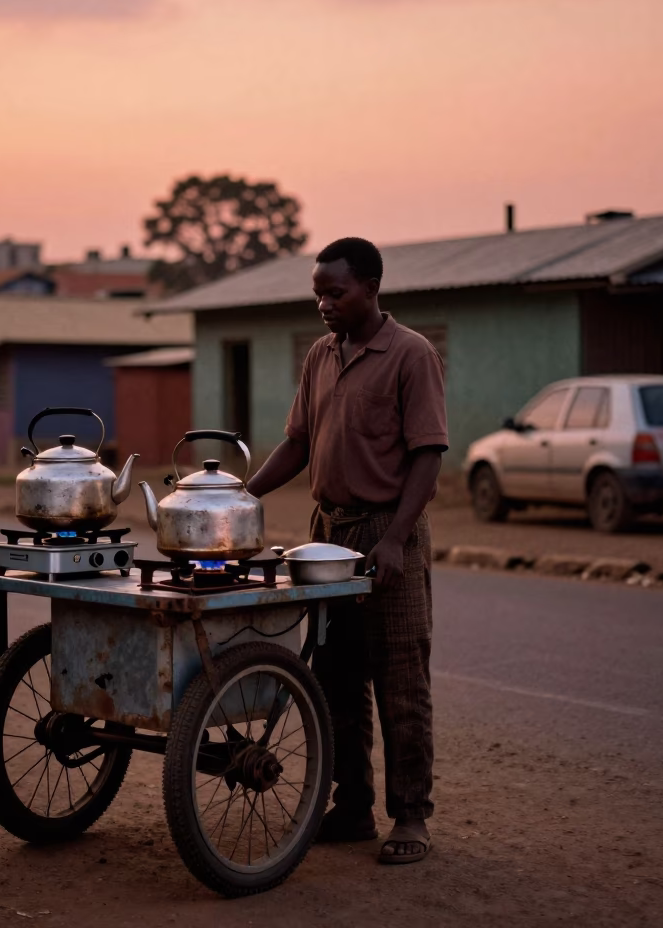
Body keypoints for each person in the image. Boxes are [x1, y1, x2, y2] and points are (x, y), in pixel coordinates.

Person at [246, 237, 448, 865]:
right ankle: (352, 806)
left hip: (389, 535)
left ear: (370, 287)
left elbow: (427, 457)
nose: (325, 305)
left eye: (335, 293)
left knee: (400, 679)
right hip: (326, 536)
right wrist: (234, 496)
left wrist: (392, 540)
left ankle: (410, 815)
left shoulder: (411, 355)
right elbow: (298, 443)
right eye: (317, 295)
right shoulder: (320, 356)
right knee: (335, 676)